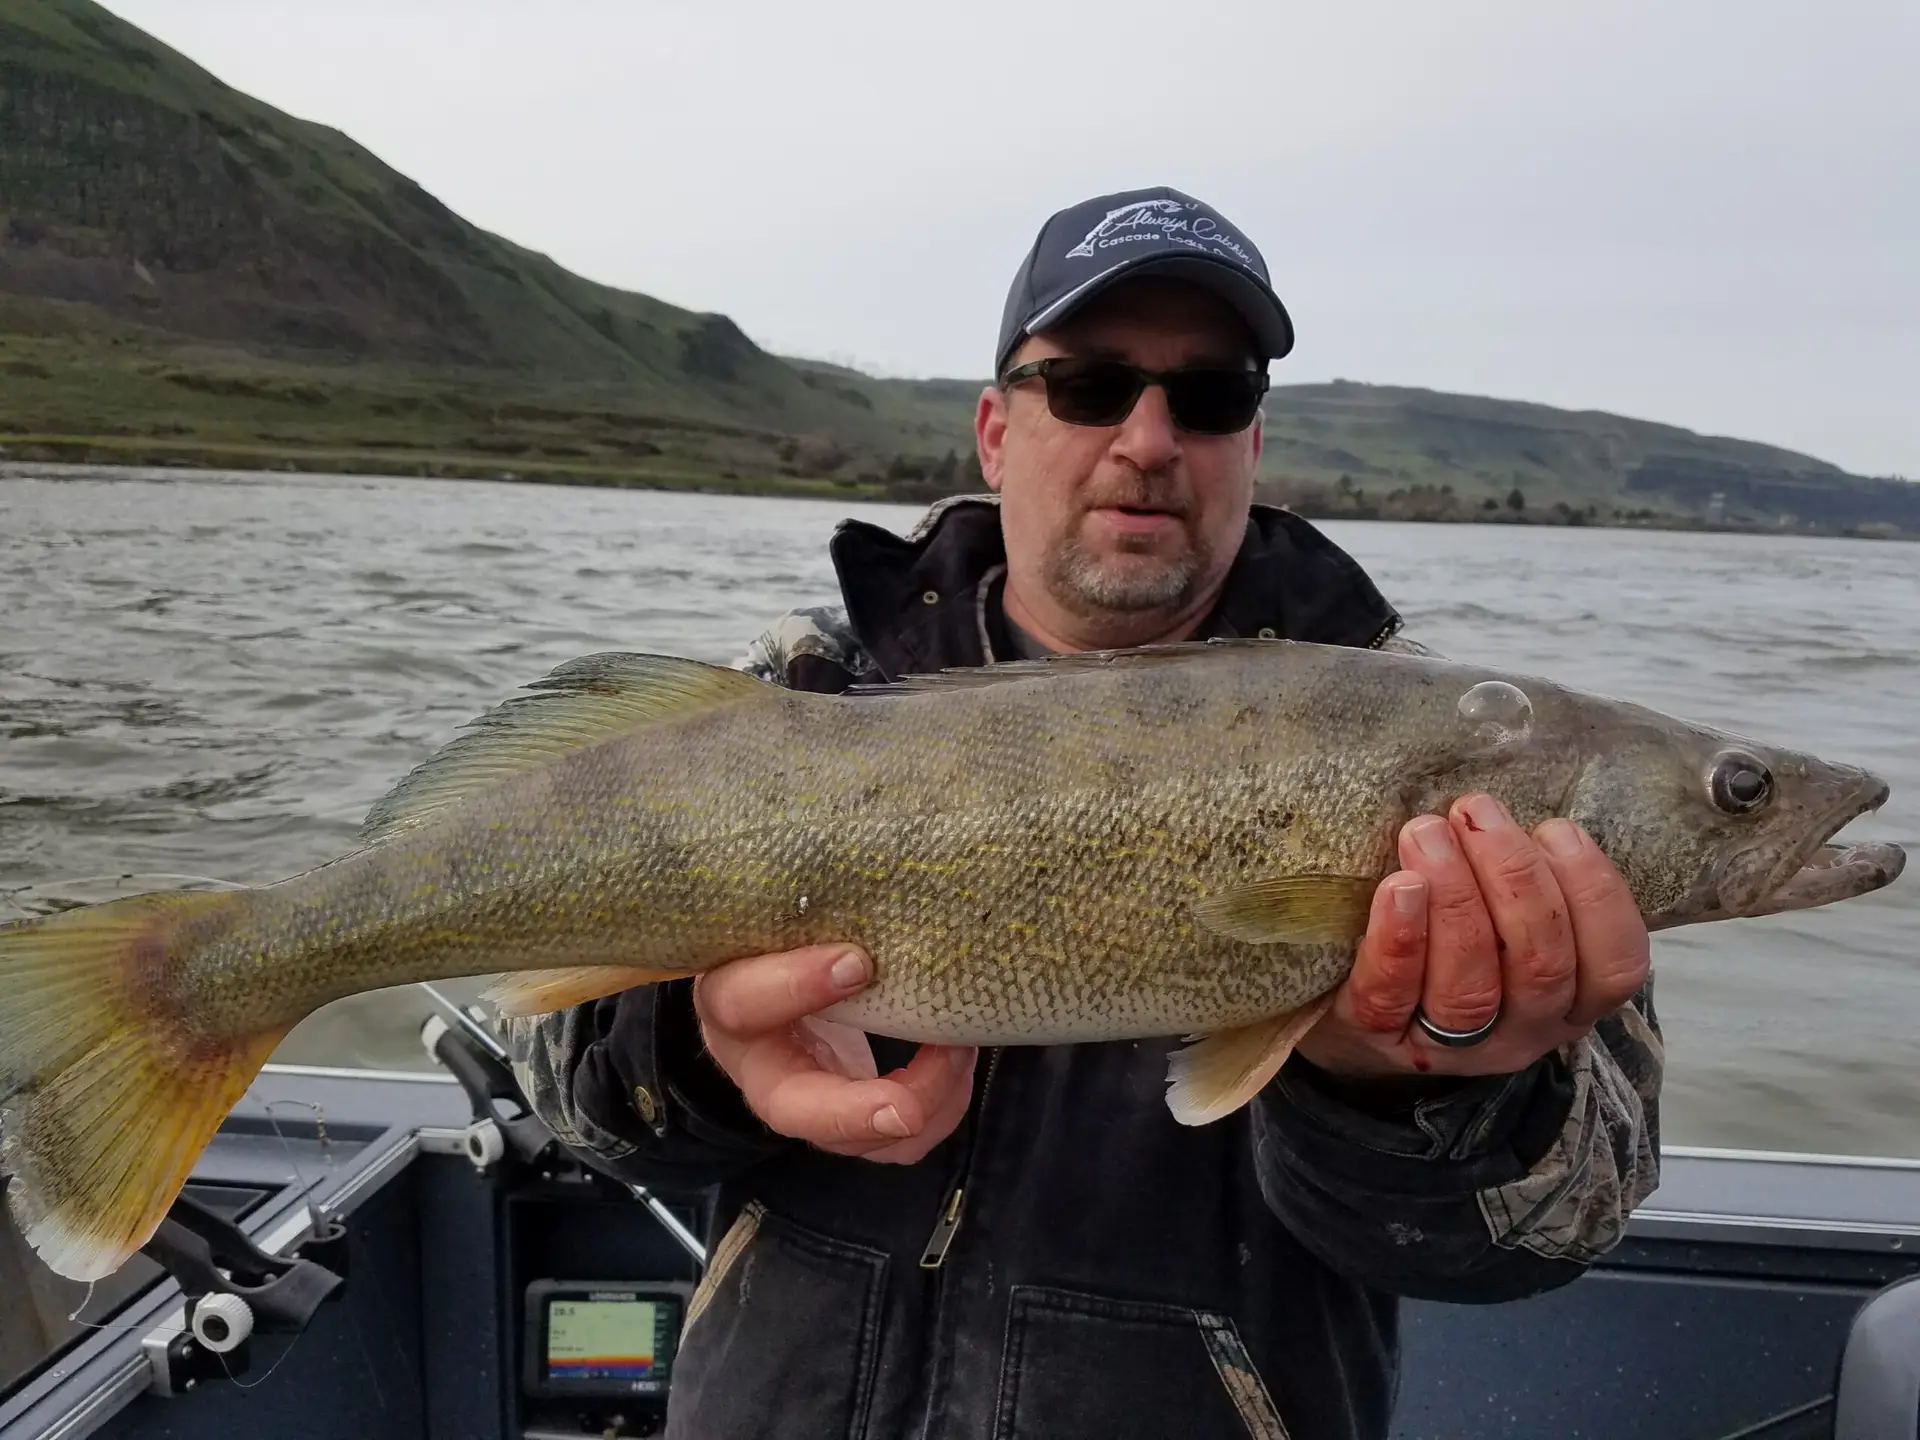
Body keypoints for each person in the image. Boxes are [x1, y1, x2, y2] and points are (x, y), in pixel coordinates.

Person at [510, 186, 1663, 1440]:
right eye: (1091, 385)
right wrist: (697, 1047)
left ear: (1253, 444)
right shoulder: (797, 692)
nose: (1150, 438)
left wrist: (1405, 1090)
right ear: (998, 430)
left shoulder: (1462, 755)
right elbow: (566, 1088)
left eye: (1210, 394)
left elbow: (1551, 1231)